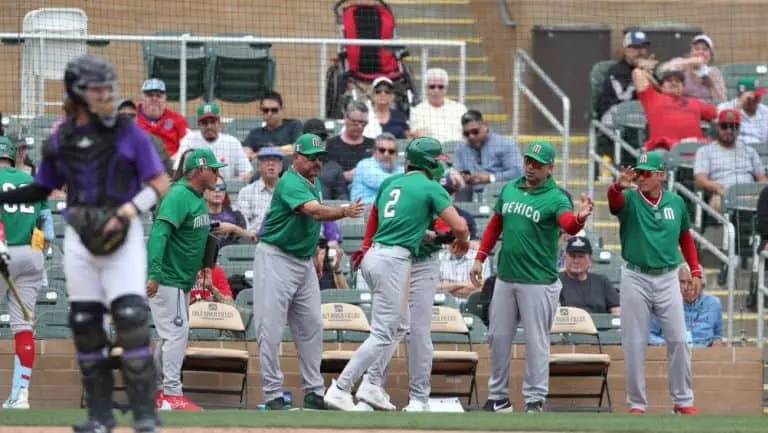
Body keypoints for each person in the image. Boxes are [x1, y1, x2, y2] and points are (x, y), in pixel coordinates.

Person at [0, 55, 170, 433]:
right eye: (98, 89)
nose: (106, 95)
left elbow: (160, 183)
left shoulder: (129, 133)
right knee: (86, 325)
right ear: (78, 92)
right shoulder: (61, 139)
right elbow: (42, 188)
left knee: (130, 319)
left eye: (108, 88)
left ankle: (144, 414)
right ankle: (100, 416)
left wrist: (127, 211)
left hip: (122, 238)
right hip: (80, 237)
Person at [324, 137, 471, 412]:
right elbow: (461, 226)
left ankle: (371, 386)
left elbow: (396, 224)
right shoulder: (430, 186)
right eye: (437, 162)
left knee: (399, 326)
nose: (440, 167)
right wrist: (461, 238)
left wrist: (438, 237)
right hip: (394, 260)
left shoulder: (391, 183)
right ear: (429, 164)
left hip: (378, 256)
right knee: (383, 332)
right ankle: (341, 388)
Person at [470, 141, 594, 413]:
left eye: (537, 164)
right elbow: (495, 225)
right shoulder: (511, 188)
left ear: (550, 168)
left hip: (538, 282)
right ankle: (498, 397)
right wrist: (480, 257)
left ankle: (535, 399)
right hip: (506, 278)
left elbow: (567, 224)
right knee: (497, 336)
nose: (530, 167)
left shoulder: (557, 197)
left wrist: (580, 219)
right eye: (528, 161)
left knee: (536, 342)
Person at [253, 133, 365, 410]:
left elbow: (310, 223)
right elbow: (314, 212)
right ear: (297, 157)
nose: (317, 162)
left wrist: (315, 249)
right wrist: (344, 212)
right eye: (312, 157)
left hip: (302, 261)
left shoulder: (313, 181)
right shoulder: (290, 181)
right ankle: (273, 395)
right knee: (270, 329)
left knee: (312, 326)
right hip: (275, 258)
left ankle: (314, 392)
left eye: (320, 157)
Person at [607, 151, 701, 415]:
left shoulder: (676, 202)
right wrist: (617, 185)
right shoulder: (629, 197)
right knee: (635, 342)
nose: (641, 177)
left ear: (662, 175)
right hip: (636, 275)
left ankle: (683, 400)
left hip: (668, 275)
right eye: (639, 172)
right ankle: (637, 404)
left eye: (647, 173)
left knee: (679, 340)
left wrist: (695, 270)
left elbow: (685, 238)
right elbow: (613, 203)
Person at [147, 148, 225, 412]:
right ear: (199, 171)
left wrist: (206, 266)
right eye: (213, 169)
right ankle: (172, 394)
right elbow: (159, 233)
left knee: (170, 336)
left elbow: (201, 236)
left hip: (179, 279)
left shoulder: (195, 197)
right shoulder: (179, 195)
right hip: (168, 277)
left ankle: (160, 393)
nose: (217, 174)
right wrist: (154, 274)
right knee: (176, 334)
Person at [0, 137, 47, 409]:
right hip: (31, 255)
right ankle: (21, 396)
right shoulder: (30, 180)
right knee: (23, 328)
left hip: (4, 251)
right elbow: (44, 223)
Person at [206, 175, 253, 247]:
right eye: (213, 187)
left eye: (221, 187)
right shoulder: (196, 217)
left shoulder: (236, 215)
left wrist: (234, 228)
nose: (217, 190)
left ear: (225, 192)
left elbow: (251, 239)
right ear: (203, 192)